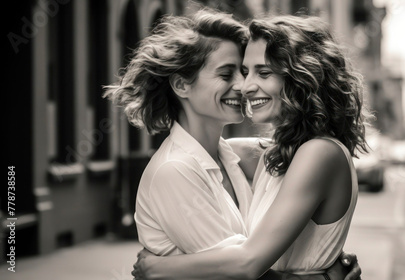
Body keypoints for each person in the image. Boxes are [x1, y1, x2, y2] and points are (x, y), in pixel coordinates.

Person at [104, 9, 361, 280]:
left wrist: (157, 268)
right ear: (181, 85)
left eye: (261, 72)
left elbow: (248, 263)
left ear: (300, 77)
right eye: (230, 74)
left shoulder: (287, 154)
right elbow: (242, 270)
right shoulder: (177, 168)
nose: (244, 86)